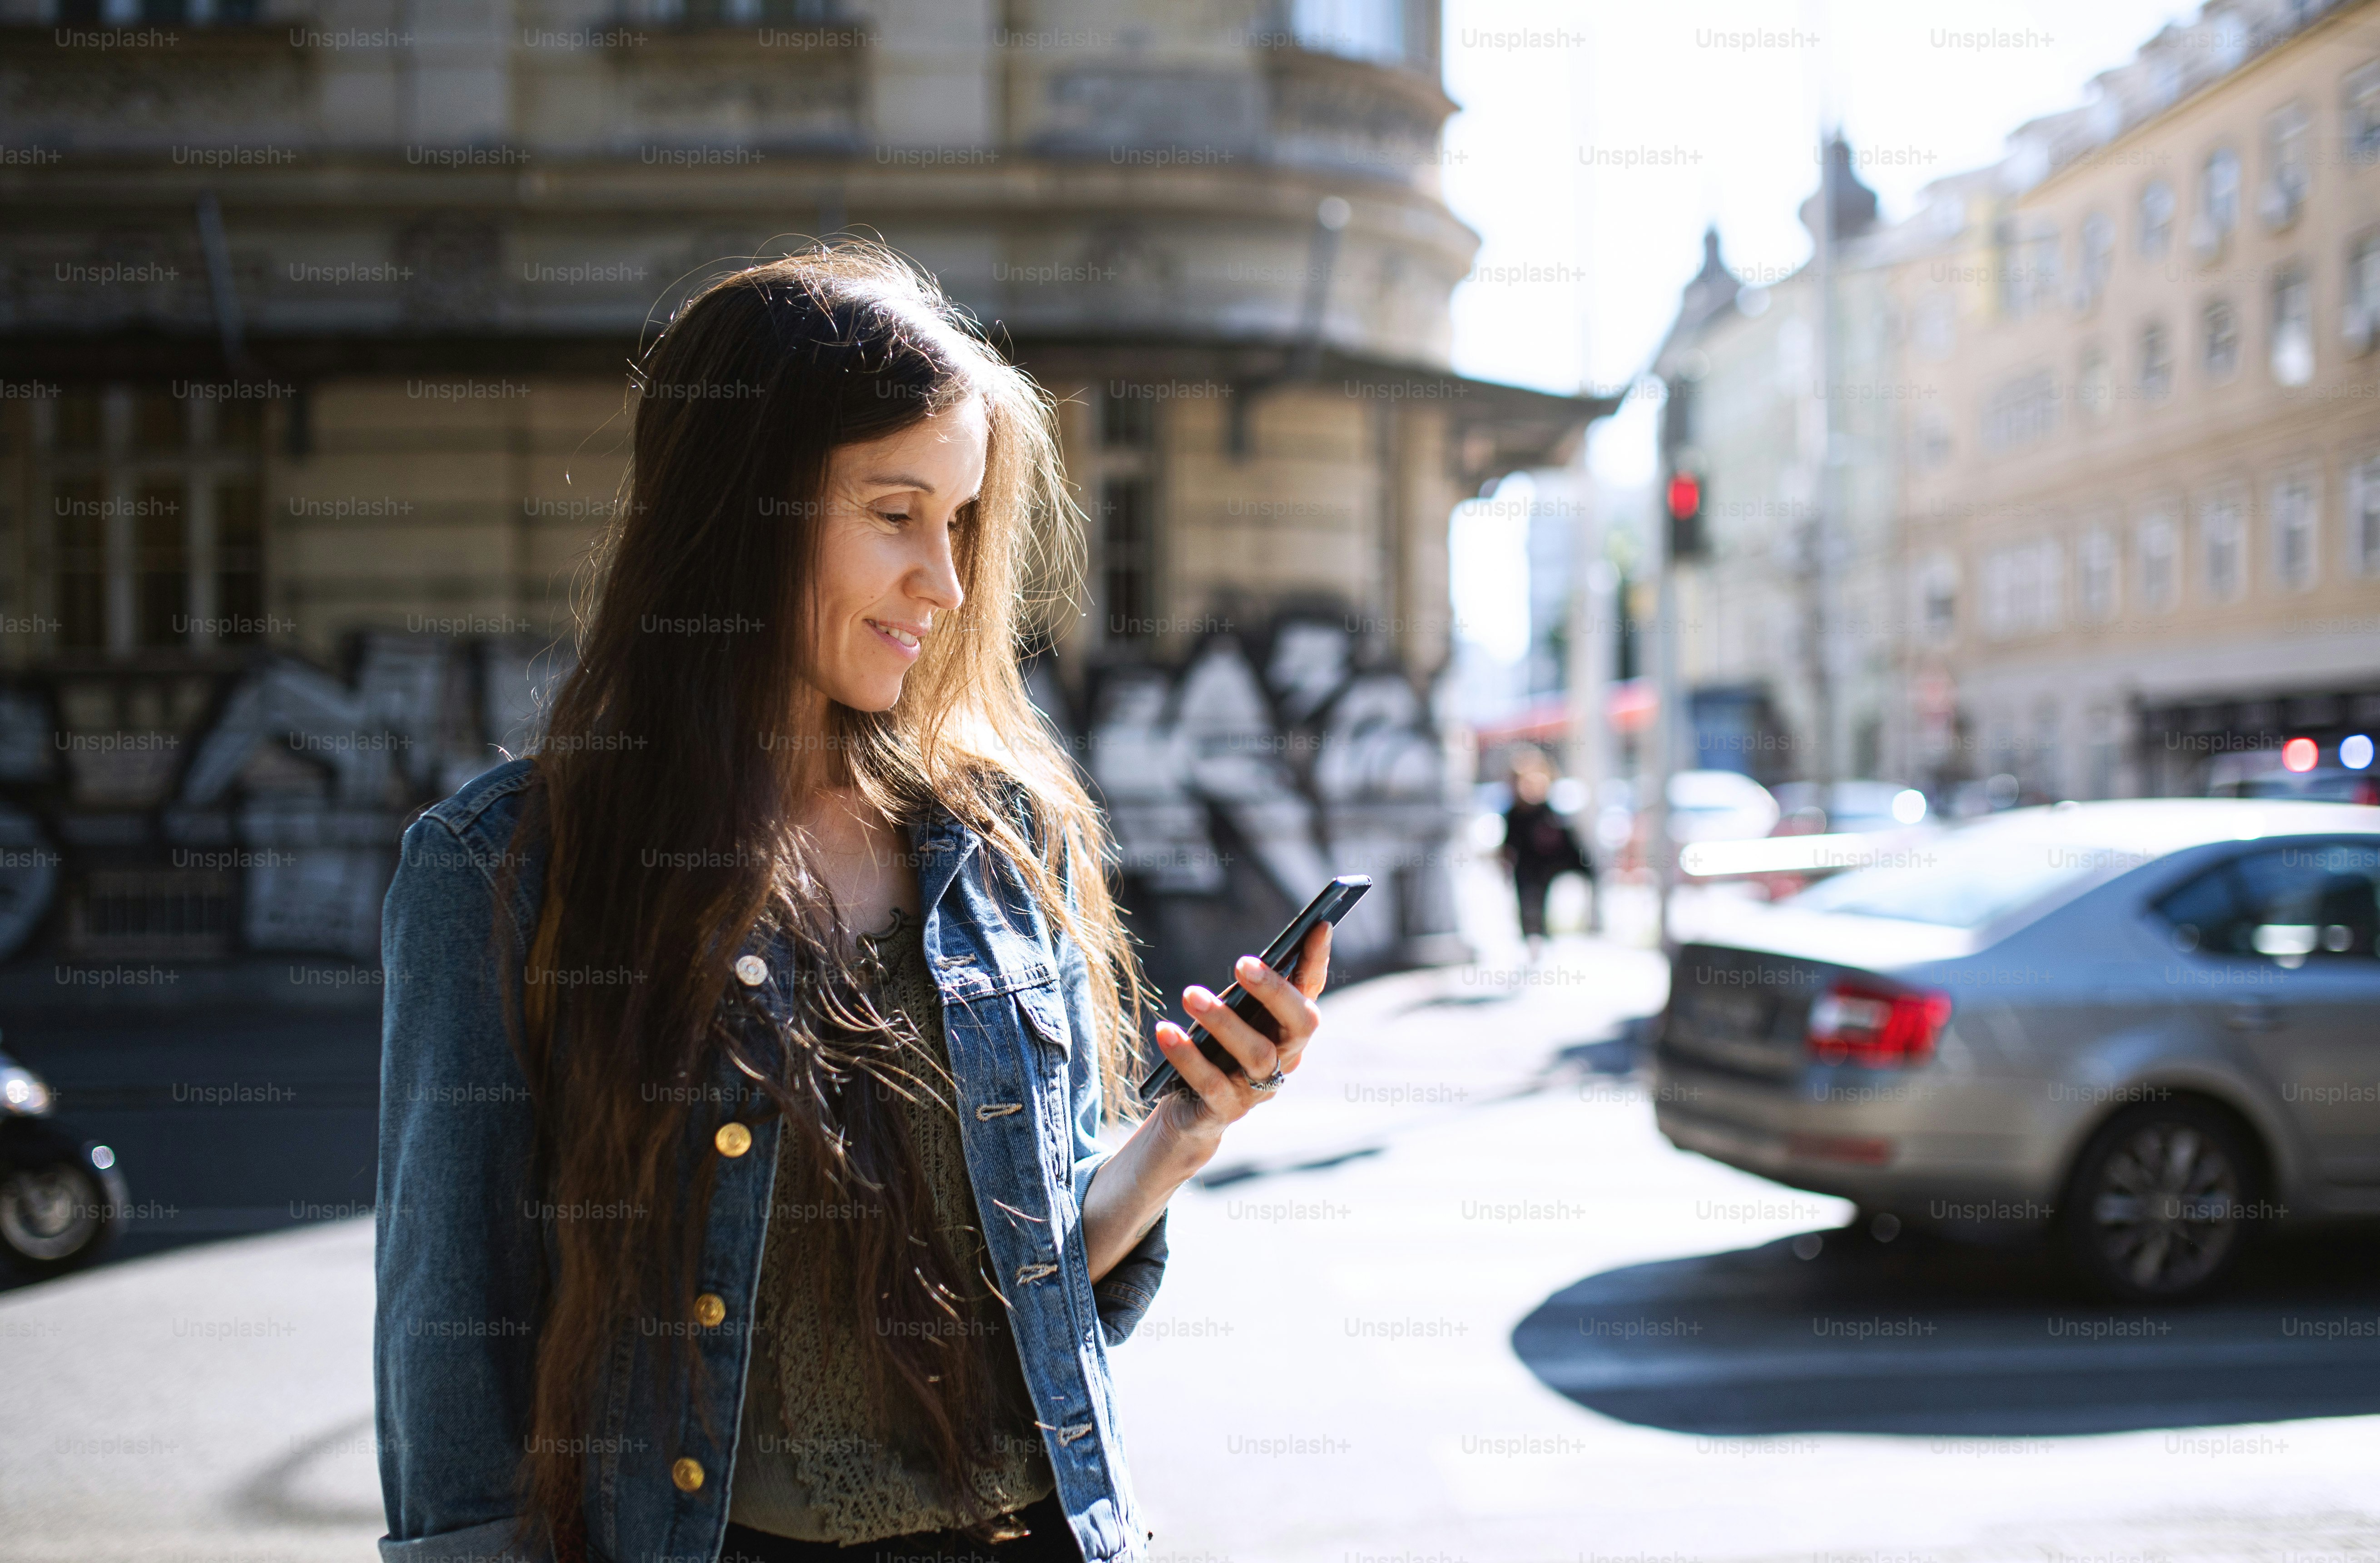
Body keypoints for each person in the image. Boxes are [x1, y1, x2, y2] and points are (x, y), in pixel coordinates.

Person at [374, 243, 1332, 1563]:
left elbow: (1043, 1297)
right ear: (740, 510)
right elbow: (452, 1320)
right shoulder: (505, 867)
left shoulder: (1004, 839)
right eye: (895, 513)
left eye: (959, 523)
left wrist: (1182, 1126)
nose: (942, 583)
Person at [1500, 749, 1594, 958]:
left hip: (1546, 867)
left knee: (1542, 903)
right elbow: (1508, 845)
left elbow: (1566, 840)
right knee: (1526, 903)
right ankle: (1532, 940)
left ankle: (1541, 938)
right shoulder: (1514, 814)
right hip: (1525, 867)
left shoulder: (1548, 810)